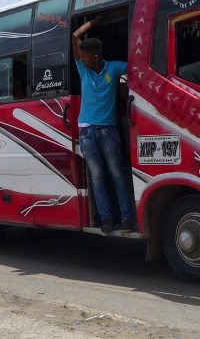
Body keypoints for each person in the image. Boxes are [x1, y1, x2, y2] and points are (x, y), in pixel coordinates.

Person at [72, 13, 136, 234]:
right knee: (97, 177)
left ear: (96, 58)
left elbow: (136, 67)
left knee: (117, 173)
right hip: (87, 132)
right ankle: (107, 219)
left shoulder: (114, 68)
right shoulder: (83, 69)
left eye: (85, 57)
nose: (81, 59)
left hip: (108, 131)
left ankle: (127, 218)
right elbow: (75, 36)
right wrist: (96, 22)